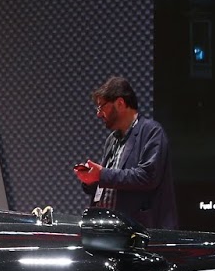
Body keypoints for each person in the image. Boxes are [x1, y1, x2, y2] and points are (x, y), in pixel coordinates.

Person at [72, 75, 179, 229]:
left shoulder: (152, 131)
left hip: (140, 231)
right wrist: (91, 180)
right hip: (109, 230)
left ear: (120, 103)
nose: (98, 114)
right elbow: (109, 182)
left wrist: (101, 174)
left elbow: (147, 177)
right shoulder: (112, 140)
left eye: (101, 107)